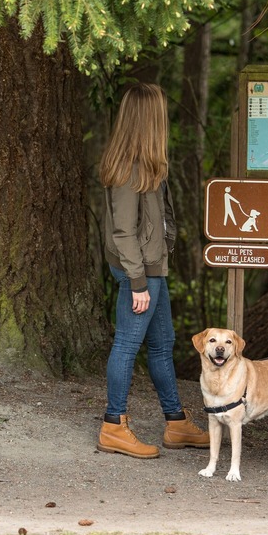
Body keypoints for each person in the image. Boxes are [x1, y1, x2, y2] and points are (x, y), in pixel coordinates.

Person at [97, 83, 210, 458]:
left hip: (152, 268)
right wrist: (138, 282)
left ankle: (176, 422)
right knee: (127, 345)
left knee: (162, 345)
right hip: (140, 272)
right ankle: (113, 425)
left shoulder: (148, 165)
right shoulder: (129, 168)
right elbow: (123, 232)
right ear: (149, 119)